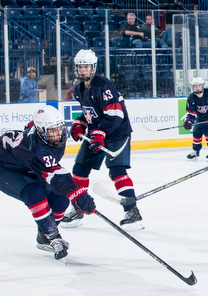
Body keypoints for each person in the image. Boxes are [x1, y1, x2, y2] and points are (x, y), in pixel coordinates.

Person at [0, 105, 96, 260]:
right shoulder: (36, 146)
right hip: (2, 168)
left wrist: (72, 193)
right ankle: (53, 238)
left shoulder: (46, 134)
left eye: (59, 129)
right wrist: (77, 193)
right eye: (51, 131)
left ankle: (43, 235)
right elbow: (56, 174)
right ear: (41, 131)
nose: (57, 135)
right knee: (34, 192)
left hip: (29, 166)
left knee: (61, 199)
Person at [62, 49, 143, 230]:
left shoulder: (103, 86)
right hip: (97, 132)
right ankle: (78, 207)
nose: (83, 70)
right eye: (80, 67)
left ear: (93, 67)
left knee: (116, 171)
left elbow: (115, 114)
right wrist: (80, 123)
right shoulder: (77, 88)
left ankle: (132, 212)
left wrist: (100, 132)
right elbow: (90, 113)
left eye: (86, 67)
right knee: (79, 169)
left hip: (117, 133)